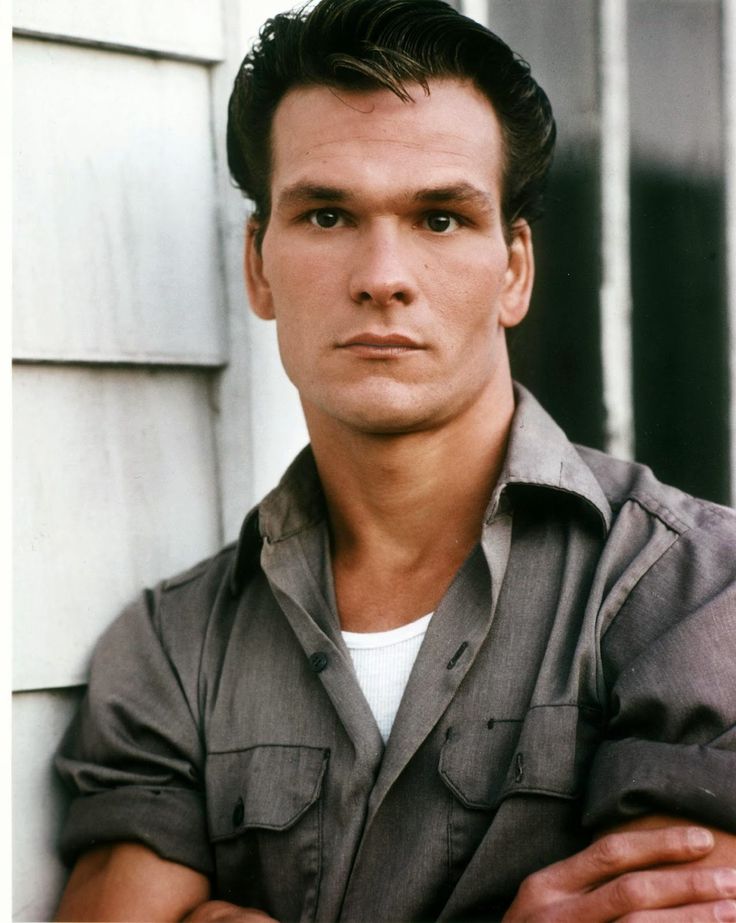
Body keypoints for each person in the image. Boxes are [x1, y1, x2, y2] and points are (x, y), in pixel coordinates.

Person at [54, 0, 736, 920]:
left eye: (441, 218)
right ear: (259, 265)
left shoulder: (692, 593)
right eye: (329, 214)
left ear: (515, 270)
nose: (383, 274)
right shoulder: (175, 650)